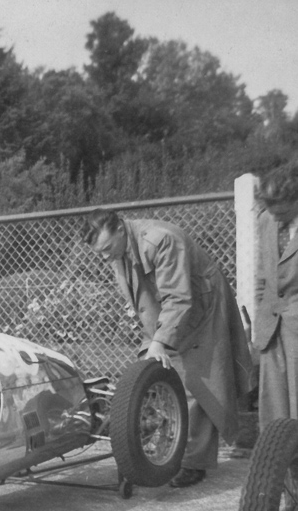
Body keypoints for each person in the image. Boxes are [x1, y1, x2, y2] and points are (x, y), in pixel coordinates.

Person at [82, 209, 252, 488]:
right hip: (172, 310)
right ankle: (164, 451)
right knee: (160, 369)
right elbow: (144, 298)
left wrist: (161, 341)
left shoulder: (161, 240)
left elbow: (178, 298)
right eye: (99, 252)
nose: (104, 257)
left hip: (201, 306)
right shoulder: (118, 248)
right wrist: (155, 339)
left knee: (199, 381)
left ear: (121, 229)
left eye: (107, 249)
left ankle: (194, 464)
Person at [252, 161, 298, 427]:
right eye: (271, 211)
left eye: (282, 212)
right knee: (274, 412)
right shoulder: (266, 220)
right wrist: (260, 315)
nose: (276, 217)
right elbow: (263, 274)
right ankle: (276, 466)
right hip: (271, 328)